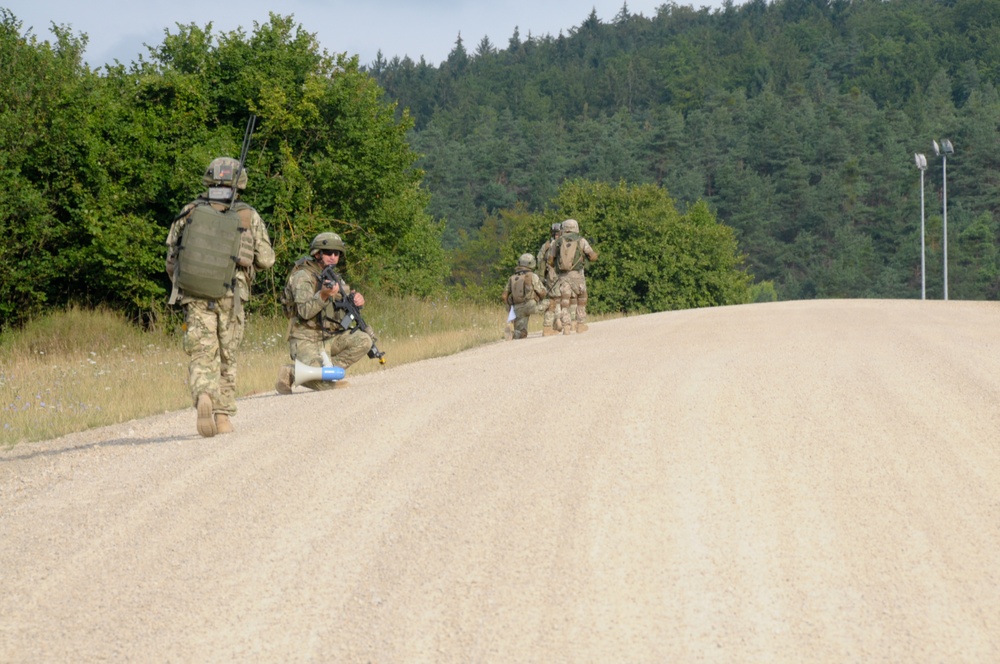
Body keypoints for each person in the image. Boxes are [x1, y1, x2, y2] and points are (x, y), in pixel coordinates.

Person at [166, 156, 275, 437]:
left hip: (195, 295)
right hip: (233, 295)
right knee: (228, 356)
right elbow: (266, 259)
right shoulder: (247, 216)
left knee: (203, 353)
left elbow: (171, 260)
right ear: (239, 184)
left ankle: (204, 394)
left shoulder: (189, 212)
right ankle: (223, 416)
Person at [274, 232, 374, 393]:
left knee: (364, 340)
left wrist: (357, 299)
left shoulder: (334, 277)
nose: (333, 257)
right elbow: (304, 312)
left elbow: (345, 301)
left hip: (329, 337)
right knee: (325, 386)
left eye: (337, 253)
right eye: (328, 253)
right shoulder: (303, 276)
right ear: (317, 253)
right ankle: (290, 373)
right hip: (305, 339)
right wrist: (323, 295)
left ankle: (327, 375)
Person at [549, 218, 598, 335]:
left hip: (563, 276)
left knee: (565, 301)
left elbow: (550, 260)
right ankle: (580, 325)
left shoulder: (558, 242)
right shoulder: (581, 240)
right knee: (582, 298)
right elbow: (592, 257)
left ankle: (566, 326)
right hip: (577, 275)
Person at [502, 253, 548, 339]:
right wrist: (544, 293)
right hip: (531, 306)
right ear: (531, 263)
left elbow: (504, 296)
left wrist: (509, 309)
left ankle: (513, 334)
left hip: (517, 308)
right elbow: (541, 292)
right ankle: (548, 328)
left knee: (522, 333)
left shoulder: (512, 277)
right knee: (551, 303)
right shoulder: (532, 276)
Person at [537, 222, 564, 336]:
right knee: (563, 299)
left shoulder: (547, 245)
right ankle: (560, 320)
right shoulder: (566, 243)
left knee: (554, 299)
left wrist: (541, 277)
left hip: (551, 274)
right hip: (565, 274)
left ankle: (556, 320)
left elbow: (539, 260)